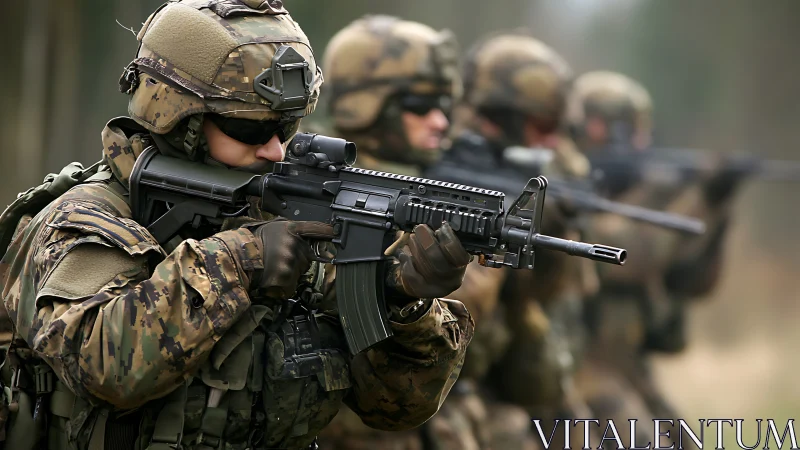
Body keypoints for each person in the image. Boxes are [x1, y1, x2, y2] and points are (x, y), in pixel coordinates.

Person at [0, 2, 475, 449]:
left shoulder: (276, 221)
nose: (274, 151)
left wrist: (398, 298)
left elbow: (396, 406)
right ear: (178, 119)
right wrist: (241, 261)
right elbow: (102, 363)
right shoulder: (82, 219)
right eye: (249, 129)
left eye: (286, 130)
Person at [316, 15, 490, 450]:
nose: (439, 122)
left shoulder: (429, 191)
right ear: (365, 104)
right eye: (419, 104)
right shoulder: (315, 189)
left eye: (446, 107)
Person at [426, 31, 598, 450]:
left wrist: (554, 236)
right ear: (499, 117)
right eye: (542, 127)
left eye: (558, 128)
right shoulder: (438, 165)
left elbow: (555, 304)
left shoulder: (532, 168)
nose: (554, 141)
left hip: (494, 377)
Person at [566, 71, 734, 448]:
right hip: (581, 369)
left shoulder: (634, 195)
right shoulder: (568, 191)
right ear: (596, 129)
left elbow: (690, 281)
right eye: (633, 133)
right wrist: (699, 202)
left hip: (626, 367)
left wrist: (718, 210)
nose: (643, 144)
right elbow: (629, 255)